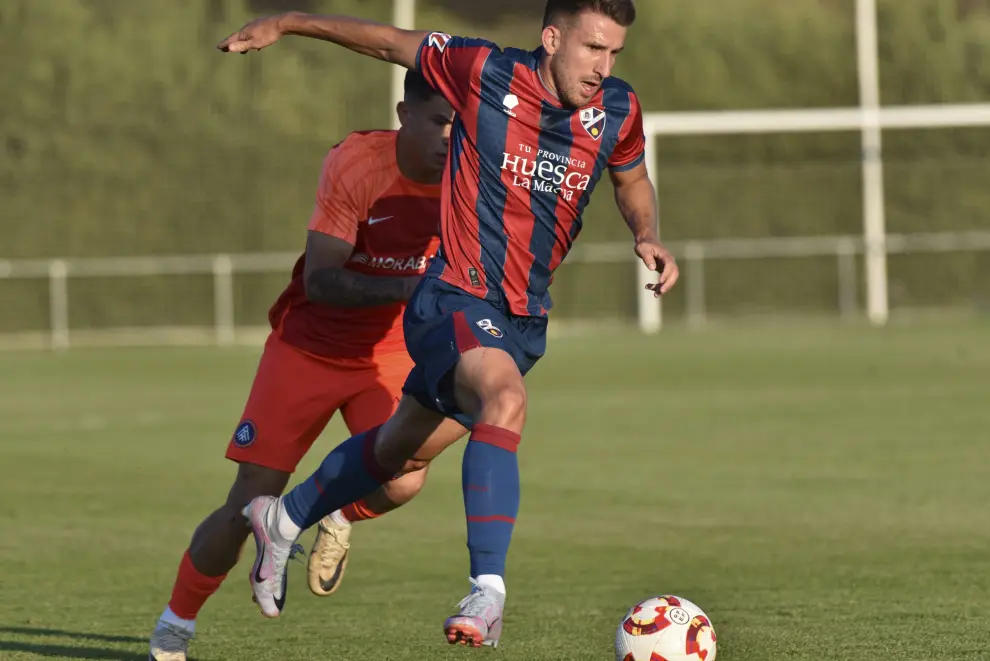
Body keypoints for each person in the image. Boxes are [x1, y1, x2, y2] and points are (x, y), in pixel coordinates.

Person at [218, 0, 680, 649]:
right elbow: (386, 43)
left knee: (398, 451)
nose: (603, 67)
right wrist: (290, 22)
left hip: (522, 317)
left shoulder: (618, 111)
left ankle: (284, 517)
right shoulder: (485, 72)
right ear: (551, 39)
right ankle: (486, 588)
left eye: (614, 54)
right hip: (455, 296)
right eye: (592, 48)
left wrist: (648, 232)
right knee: (505, 399)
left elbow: (631, 178)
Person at [148, 70, 462, 661]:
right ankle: (174, 626)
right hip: (307, 348)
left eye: (462, 124)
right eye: (440, 121)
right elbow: (321, 280)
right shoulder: (356, 163)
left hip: (389, 353)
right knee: (246, 505)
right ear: (404, 113)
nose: (452, 136)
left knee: (406, 475)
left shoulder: (470, 178)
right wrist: (412, 289)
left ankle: (332, 512)